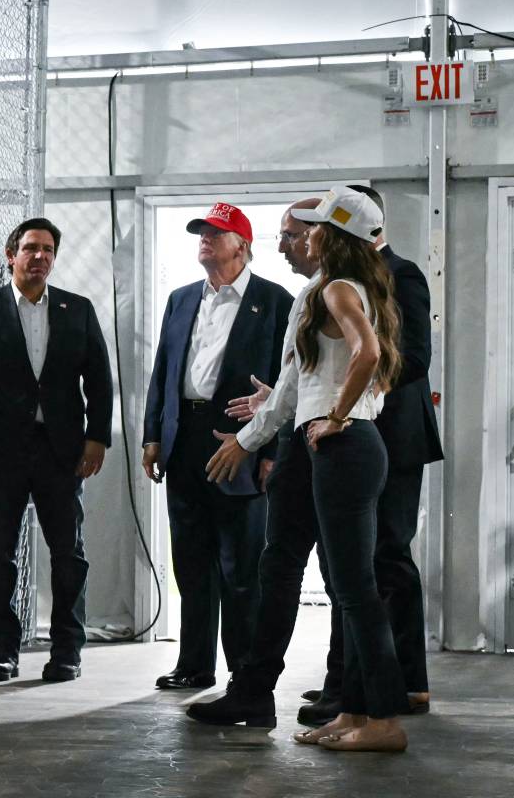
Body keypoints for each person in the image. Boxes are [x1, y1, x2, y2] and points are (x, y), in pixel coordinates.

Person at [201, 186, 409, 752]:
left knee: (356, 589)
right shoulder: (349, 287)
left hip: (344, 448)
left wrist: (336, 416)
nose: (302, 235)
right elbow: (311, 378)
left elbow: (366, 354)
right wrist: (313, 409)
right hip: (343, 446)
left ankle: (385, 721)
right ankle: (357, 713)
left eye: (311, 227)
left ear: (333, 237)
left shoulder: (338, 288)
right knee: (349, 587)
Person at [0, 217, 113, 683]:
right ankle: (2, 650)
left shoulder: (77, 310)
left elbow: (99, 380)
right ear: (11, 256)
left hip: (61, 452)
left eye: (47, 250)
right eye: (30, 248)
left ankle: (67, 651)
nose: (39, 256)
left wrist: (97, 436)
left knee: (69, 554)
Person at [302, 185, 442, 719]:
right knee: (349, 564)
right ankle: (347, 682)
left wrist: (354, 400)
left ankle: (407, 683)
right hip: (357, 433)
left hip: (393, 437)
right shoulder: (337, 282)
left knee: (386, 558)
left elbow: (414, 357)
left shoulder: (400, 273)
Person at [141, 202, 292, 691]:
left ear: (242, 246)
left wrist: (270, 451)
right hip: (185, 439)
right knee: (191, 560)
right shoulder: (182, 299)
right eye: (201, 232)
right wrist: (152, 435)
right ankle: (194, 664)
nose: (205, 239)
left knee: (240, 566)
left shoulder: (274, 302)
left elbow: (289, 383)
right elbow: (164, 371)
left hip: (241, 443)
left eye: (216, 233)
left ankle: (244, 672)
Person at [184, 197, 323, 728]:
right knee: (283, 569)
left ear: (323, 236)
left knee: (319, 577)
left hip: (319, 447)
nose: (281, 244)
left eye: (290, 235)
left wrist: (254, 440)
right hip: (294, 442)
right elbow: (295, 385)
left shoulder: (314, 294)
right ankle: (252, 689)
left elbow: (362, 366)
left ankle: (361, 700)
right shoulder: (320, 292)